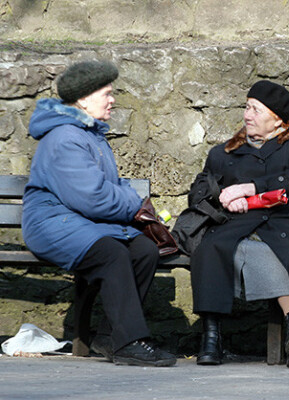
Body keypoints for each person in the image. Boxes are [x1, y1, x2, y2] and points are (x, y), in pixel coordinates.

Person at [22, 60, 176, 367]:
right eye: (106, 93)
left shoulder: (91, 135)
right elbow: (92, 198)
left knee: (144, 249)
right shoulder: (66, 137)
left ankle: (110, 337)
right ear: (83, 99)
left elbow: (101, 193)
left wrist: (125, 201)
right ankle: (130, 341)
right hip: (52, 224)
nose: (112, 99)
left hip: (80, 222)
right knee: (112, 254)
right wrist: (134, 202)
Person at [189, 80, 289, 368]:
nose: (247, 115)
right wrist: (224, 198)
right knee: (211, 248)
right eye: (247, 107)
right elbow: (198, 191)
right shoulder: (223, 153)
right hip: (238, 225)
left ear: (277, 118)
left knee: (287, 250)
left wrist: (251, 188)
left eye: (255, 109)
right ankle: (211, 339)